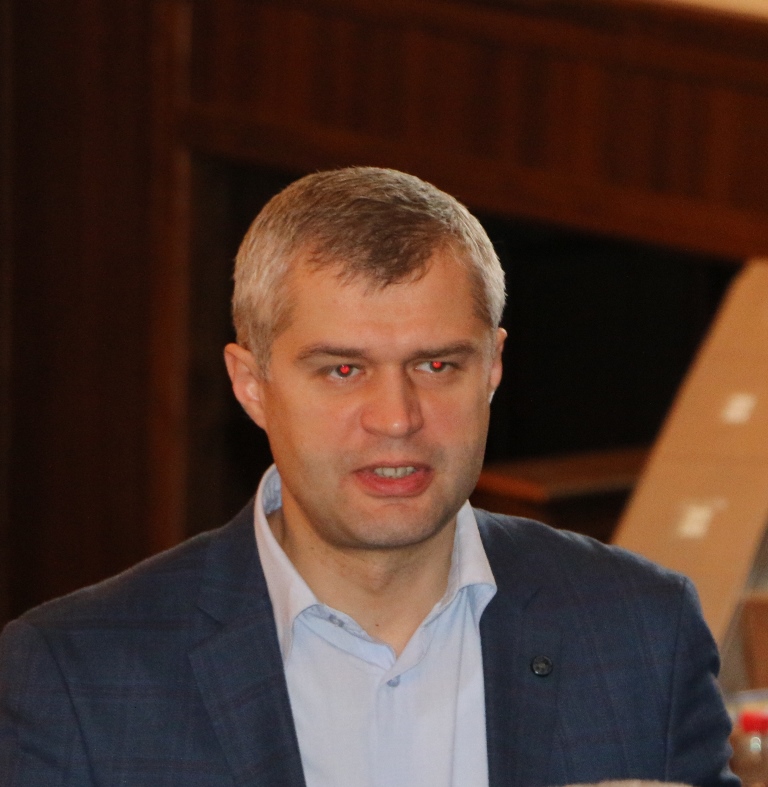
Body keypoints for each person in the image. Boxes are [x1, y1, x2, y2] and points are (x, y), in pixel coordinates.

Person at [0, 167, 736, 786]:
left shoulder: (642, 632)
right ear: (252, 385)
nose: (396, 417)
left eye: (436, 364)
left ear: (493, 368)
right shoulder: (77, 675)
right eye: (343, 370)